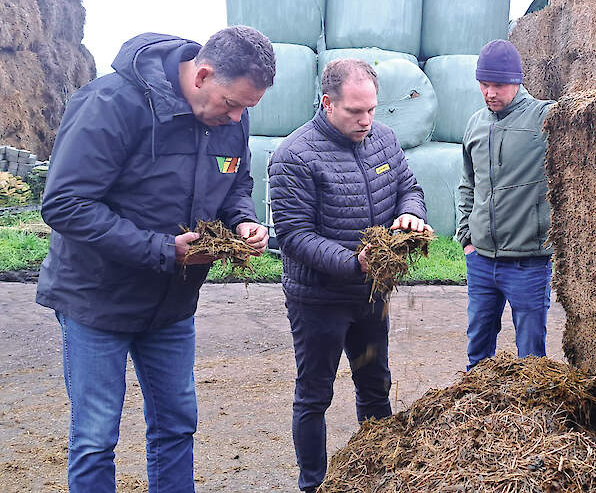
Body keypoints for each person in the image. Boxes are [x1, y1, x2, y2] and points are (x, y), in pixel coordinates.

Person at [35, 26, 275, 492]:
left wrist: (243, 220)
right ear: (202, 75)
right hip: (96, 300)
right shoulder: (111, 104)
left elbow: (235, 183)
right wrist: (162, 249)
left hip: (171, 305)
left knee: (176, 424)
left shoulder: (230, 117)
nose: (237, 117)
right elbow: (64, 204)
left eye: (247, 108)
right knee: (96, 436)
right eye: (231, 104)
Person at [267, 58, 429, 493]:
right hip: (319, 300)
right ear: (327, 103)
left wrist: (410, 216)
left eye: (372, 109)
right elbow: (294, 236)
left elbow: (408, 188)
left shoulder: (384, 140)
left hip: (371, 296)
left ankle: (377, 477)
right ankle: (313, 484)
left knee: (375, 384)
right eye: (355, 111)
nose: (366, 120)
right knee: (315, 394)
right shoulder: (294, 157)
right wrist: (352, 262)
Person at [456, 39, 557, 372]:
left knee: (530, 355)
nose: (489, 93)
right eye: (483, 85)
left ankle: (529, 421)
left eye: (497, 85)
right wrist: (466, 238)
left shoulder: (545, 118)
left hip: (528, 262)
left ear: (517, 80)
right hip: (481, 259)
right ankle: (475, 415)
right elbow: (467, 183)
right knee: (478, 347)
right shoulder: (475, 124)